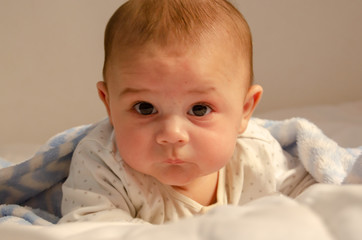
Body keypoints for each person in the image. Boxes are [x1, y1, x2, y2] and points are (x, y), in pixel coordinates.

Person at [60, 0, 315, 224]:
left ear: (245, 109)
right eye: (145, 108)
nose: (172, 135)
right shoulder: (103, 162)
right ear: (109, 105)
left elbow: (315, 202)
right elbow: (90, 229)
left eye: (199, 109)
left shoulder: (257, 155)